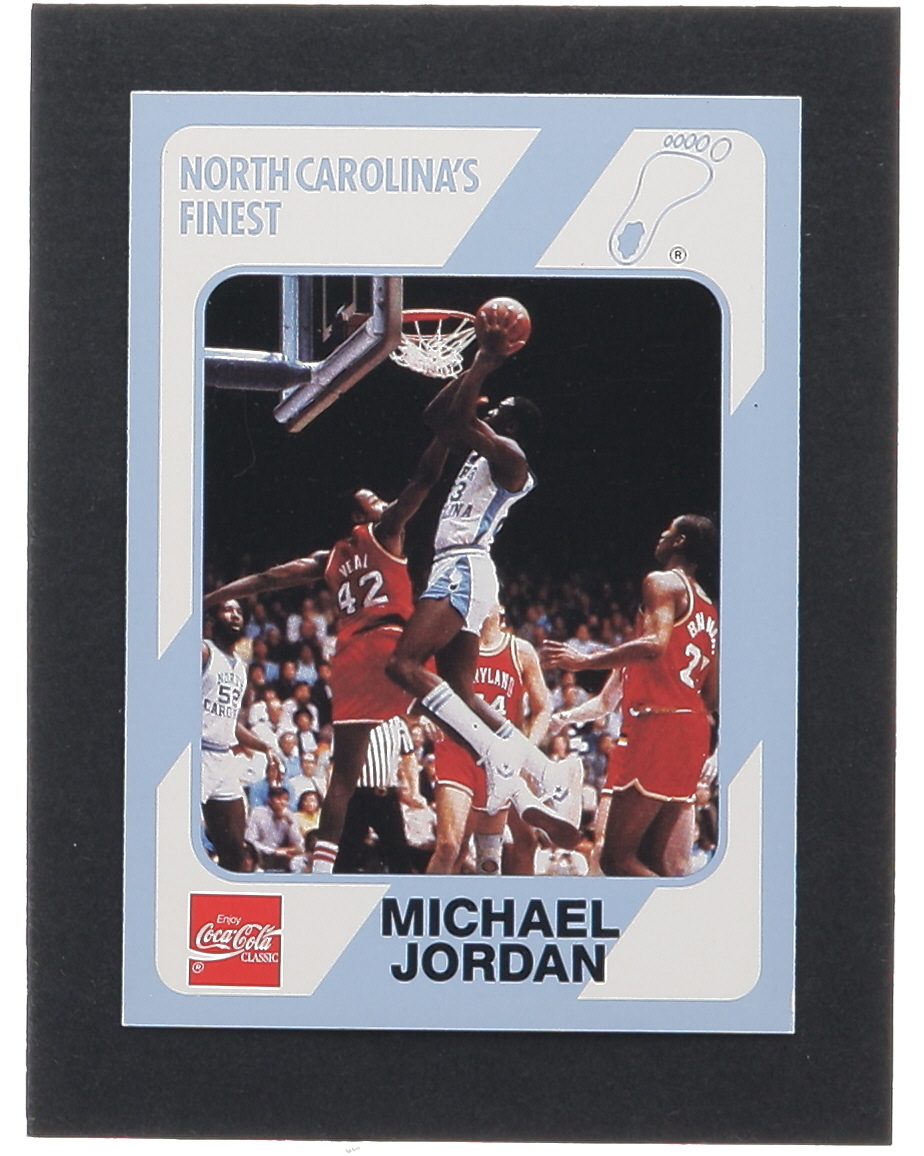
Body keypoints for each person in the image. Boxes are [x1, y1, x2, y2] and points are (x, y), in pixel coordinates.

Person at [204, 435, 448, 872]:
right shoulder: (387, 530)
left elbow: (267, 578)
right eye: (372, 499)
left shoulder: (328, 558)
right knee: (459, 714)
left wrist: (209, 598)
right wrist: (449, 430)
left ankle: (320, 874)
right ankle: (513, 766)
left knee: (342, 782)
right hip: (392, 643)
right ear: (358, 516)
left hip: (352, 656)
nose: (381, 502)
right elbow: (425, 479)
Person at [385, 299, 581, 842]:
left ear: (511, 424)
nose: (490, 413)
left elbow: (453, 420)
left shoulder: (512, 459)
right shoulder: (483, 451)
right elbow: (438, 418)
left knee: (402, 664)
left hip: (464, 566)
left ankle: (497, 755)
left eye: (499, 412)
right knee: (462, 692)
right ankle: (547, 776)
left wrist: (485, 363)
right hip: (462, 571)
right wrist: (474, 373)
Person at [543, 515, 718, 876]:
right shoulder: (709, 608)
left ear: (680, 541)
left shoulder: (662, 582)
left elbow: (654, 644)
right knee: (656, 861)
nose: (661, 535)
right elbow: (712, 694)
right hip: (693, 728)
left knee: (615, 858)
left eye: (668, 530)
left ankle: (684, 911)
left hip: (659, 722)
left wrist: (586, 660)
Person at [426, 604, 552, 874]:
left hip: (498, 758)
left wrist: (527, 749)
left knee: (488, 859)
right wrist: (427, 717)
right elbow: (422, 689)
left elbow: (543, 708)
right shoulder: (449, 645)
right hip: (457, 751)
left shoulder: (520, 651)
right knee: (449, 847)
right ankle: (427, 900)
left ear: (501, 609)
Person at [201, 599, 281, 871]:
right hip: (195, 755)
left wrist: (265, 747)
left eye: (238, 611)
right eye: (227, 609)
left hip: (222, 758)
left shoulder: (240, 668)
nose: (235, 615)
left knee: (236, 850)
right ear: (212, 619)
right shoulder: (203, 652)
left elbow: (231, 723)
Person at [244, 786, 305, 872]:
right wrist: (273, 851)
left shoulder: (289, 814)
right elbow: (250, 840)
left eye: (285, 799)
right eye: (279, 799)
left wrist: (291, 825)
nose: (283, 802)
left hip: (283, 854)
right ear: (269, 800)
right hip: (261, 853)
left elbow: (299, 843)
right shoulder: (257, 813)